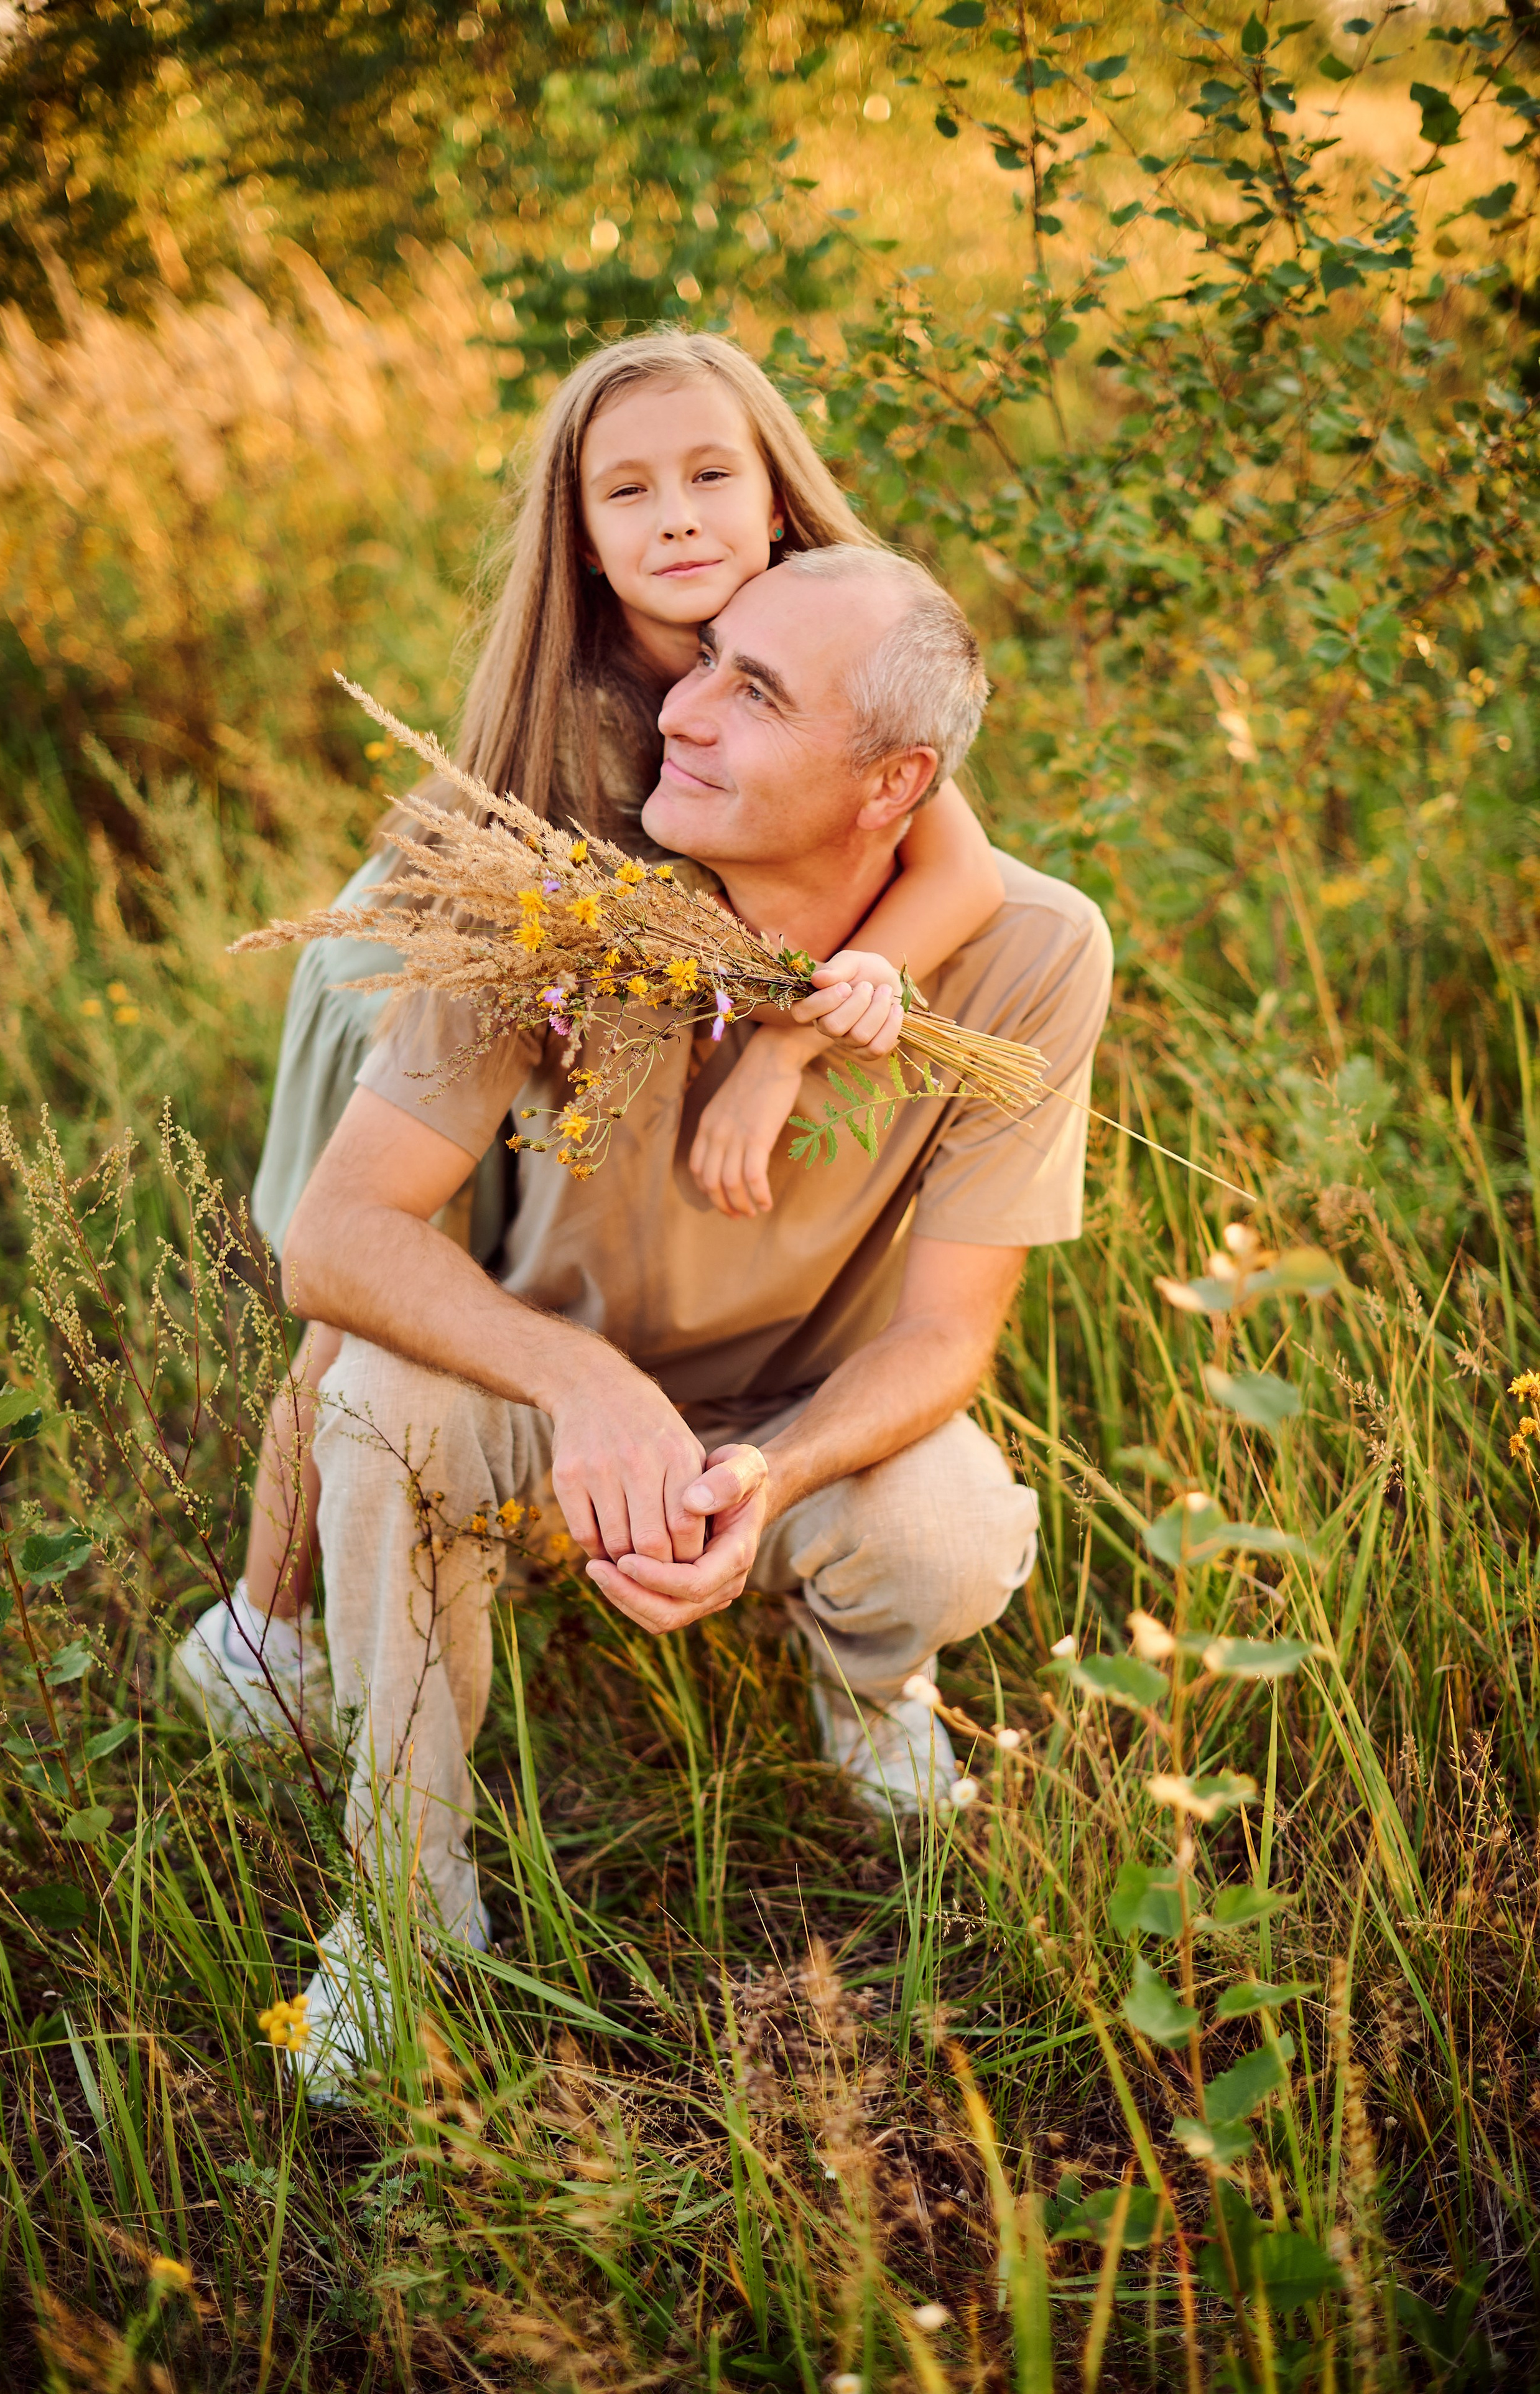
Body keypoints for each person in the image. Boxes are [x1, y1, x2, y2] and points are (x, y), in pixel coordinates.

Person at [279, 543, 1112, 2099]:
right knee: (377, 1403)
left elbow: (947, 1338)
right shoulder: (547, 909)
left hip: (791, 1428)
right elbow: (335, 1238)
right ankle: (405, 1901)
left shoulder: (1030, 953)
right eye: (705, 658)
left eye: (757, 692)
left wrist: (773, 1476)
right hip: (546, 1427)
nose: (683, 709)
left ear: (892, 784)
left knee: (948, 1531)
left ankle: (868, 1689)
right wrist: (581, 1382)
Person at [170, 332, 1008, 1744]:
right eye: (627, 492)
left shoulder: (823, 645)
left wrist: (791, 1044)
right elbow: (555, 939)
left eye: (709, 475)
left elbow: (960, 869)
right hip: (441, 966)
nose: (676, 517)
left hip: (617, 1011)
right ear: (580, 534)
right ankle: (264, 1627)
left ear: (776, 497)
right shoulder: (567, 710)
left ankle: (815, 1607)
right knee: (368, 1301)